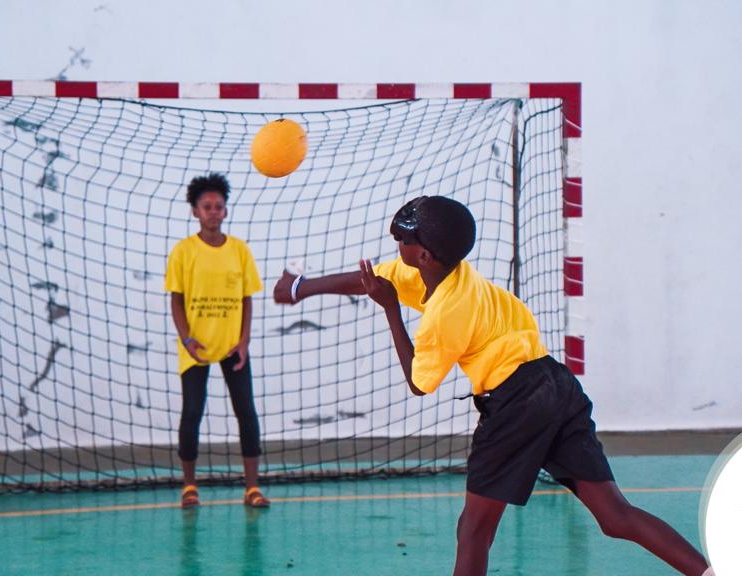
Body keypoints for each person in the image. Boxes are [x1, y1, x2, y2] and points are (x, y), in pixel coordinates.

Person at [273, 196, 712, 576]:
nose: (396, 244)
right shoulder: (449, 272)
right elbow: (376, 279)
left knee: (474, 529)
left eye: (402, 239)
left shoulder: (445, 312)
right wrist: (300, 288)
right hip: (557, 385)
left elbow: (419, 383)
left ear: (423, 255)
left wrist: (390, 310)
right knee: (615, 516)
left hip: (517, 401)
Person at [165, 172, 270, 509]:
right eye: (206, 206)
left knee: (247, 413)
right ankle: (189, 486)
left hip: (232, 347)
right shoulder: (183, 252)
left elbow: (247, 299)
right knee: (192, 413)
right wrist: (187, 339)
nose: (213, 211)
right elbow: (176, 300)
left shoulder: (239, 250)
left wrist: (244, 341)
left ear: (225, 211)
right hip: (196, 348)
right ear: (195, 211)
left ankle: (252, 487)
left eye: (219, 206)